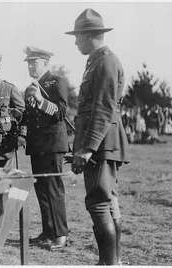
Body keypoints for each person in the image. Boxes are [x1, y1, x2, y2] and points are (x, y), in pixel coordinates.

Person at [65, 8, 130, 265]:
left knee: (99, 201)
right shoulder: (97, 60)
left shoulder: (105, 62)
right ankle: (113, 262)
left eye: (78, 36)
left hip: (102, 144)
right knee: (107, 200)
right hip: (101, 142)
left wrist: (88, 148)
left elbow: (103, 108)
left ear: (90, 35)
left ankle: (108, 263)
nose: (75, 41)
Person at [21, 46, 69, 251]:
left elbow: (61, 112)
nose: (31, 66)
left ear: (45, 63)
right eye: (29, 62)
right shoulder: (30, 86)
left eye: (35, 62)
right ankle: (48, 231)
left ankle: (60, 234)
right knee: (41, 189)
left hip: (52, 144)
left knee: (54, 188)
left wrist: (41, 100)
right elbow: (30, 116)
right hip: (37, 145)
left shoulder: (56, 81)